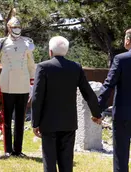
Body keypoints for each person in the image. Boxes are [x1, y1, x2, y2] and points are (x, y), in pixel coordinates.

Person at [31, 36, 102, 172]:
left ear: (50, 51)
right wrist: (96, 114)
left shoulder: (43, 67)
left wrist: (35, 122)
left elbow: (37, 97)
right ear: (66, 51)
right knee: (66, 162)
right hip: (68, 122)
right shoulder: (75, 67)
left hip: (48, 123)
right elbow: (88, 92)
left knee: (50, 162)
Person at [0, 15, 35, 157]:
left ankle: (18, 150)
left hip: (23, 85)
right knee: (6, 118)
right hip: (7, 84)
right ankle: (7, 149)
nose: (16, 29)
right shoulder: (1, 43)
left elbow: (31, 64)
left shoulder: (27, 43)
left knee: (20, 119)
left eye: (19, 27)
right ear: (8, 28)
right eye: (14, 27)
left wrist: (32, 82)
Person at [98, 28, 131, 172]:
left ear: (128, 40)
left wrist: (97, 109)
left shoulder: (121, 59)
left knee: (121, 155)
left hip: (123, 113)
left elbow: (109, 85)